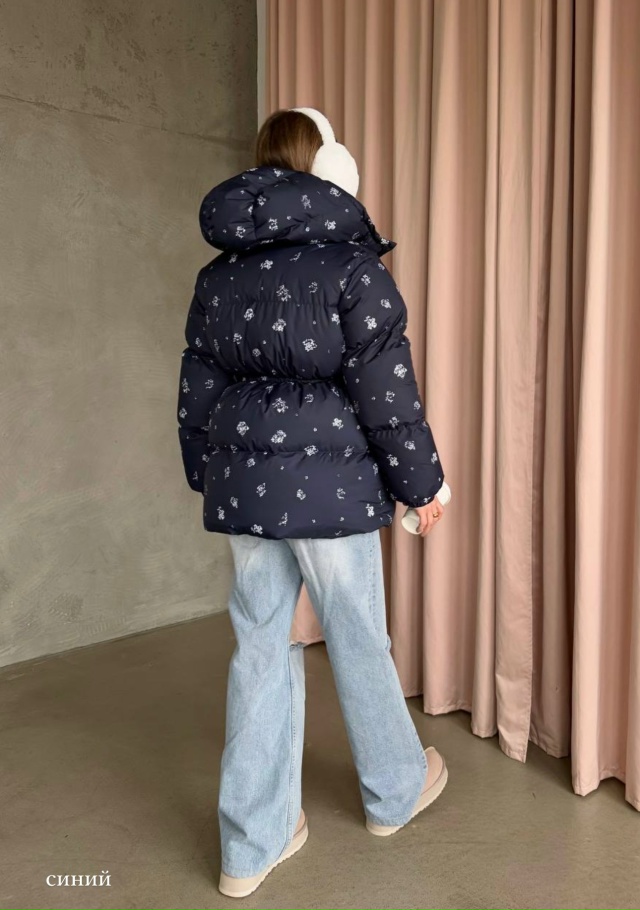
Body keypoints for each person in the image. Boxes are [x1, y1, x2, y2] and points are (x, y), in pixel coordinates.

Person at [177, 108, 448, 899]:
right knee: (359, 637)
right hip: (332, 492)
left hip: (245, 487)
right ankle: (395, 792)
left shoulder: (220, 276)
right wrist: (421, 487)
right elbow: (388, 396)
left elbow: (197, 389)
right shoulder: (352, 270)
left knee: (261, 648)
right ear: (329, 169)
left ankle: (251, 845)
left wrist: (207, 474)